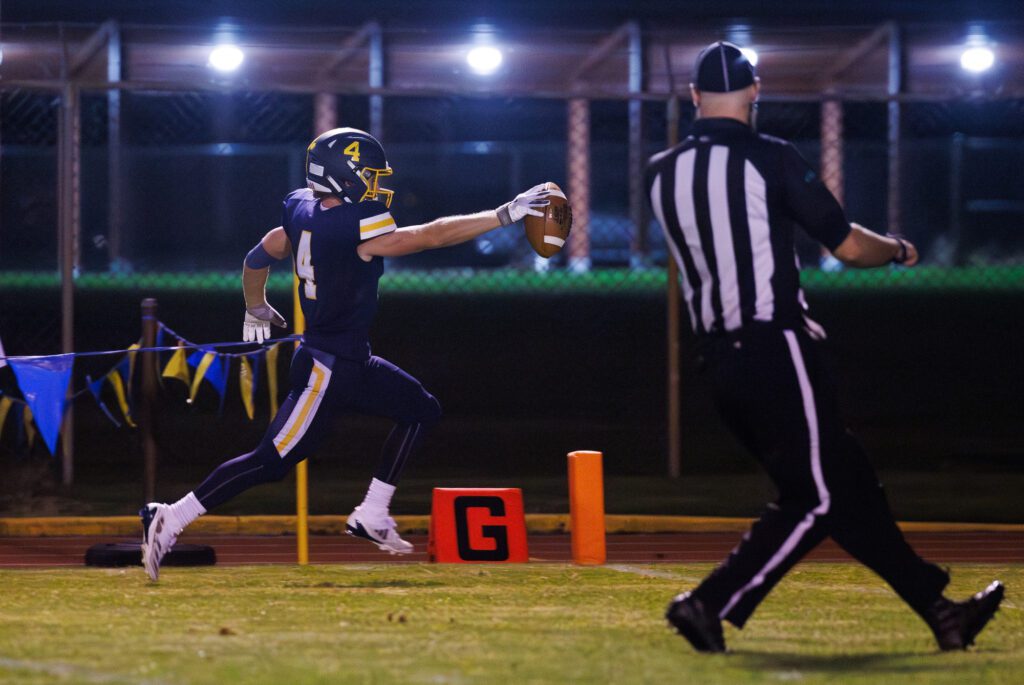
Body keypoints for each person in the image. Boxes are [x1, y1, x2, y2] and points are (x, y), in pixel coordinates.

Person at [646, 42, 1004, 653]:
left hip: (720, 360)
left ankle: (940, 610)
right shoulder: (772, 158)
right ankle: (708, 602)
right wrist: (897, 248)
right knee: (817, 497)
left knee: (850, 483)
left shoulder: (661, 171)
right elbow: (846, 246)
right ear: (756, 91)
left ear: (695, 97)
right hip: (776, 347)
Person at [140, 127, 551, 580]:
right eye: (369, 174)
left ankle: (373, 513)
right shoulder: (358, 224)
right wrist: (505, 213)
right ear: (344, 176)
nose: (377, 183)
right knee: (269, 462)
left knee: (421, 410)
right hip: (325, 369)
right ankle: (171, 516)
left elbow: (260, 254)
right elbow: (430, 236)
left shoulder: (301, 208)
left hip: (351, 360)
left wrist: (255, 305)